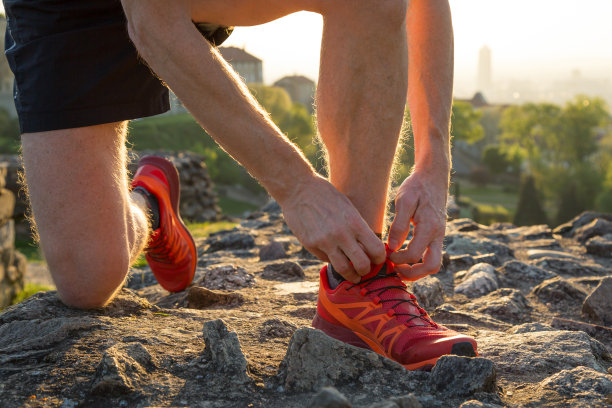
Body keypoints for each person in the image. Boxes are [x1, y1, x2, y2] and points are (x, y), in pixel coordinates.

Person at [3, 0, 477, 370]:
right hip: (67, 7)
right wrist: (296, 188)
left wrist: (434, 162)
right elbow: (152, 21)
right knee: (88, 279)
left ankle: (356, 276)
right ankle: (150, 201)